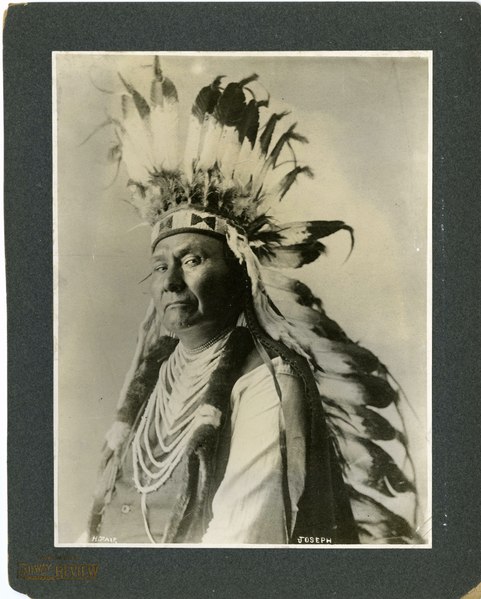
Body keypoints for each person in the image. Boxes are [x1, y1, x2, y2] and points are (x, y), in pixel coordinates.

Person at [86, 58, 420, 545]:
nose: (172, 281)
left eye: (194, 259)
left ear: (240, 277)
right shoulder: (150, 380)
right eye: (161, 266)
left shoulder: (266, 381)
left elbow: (241, 546)